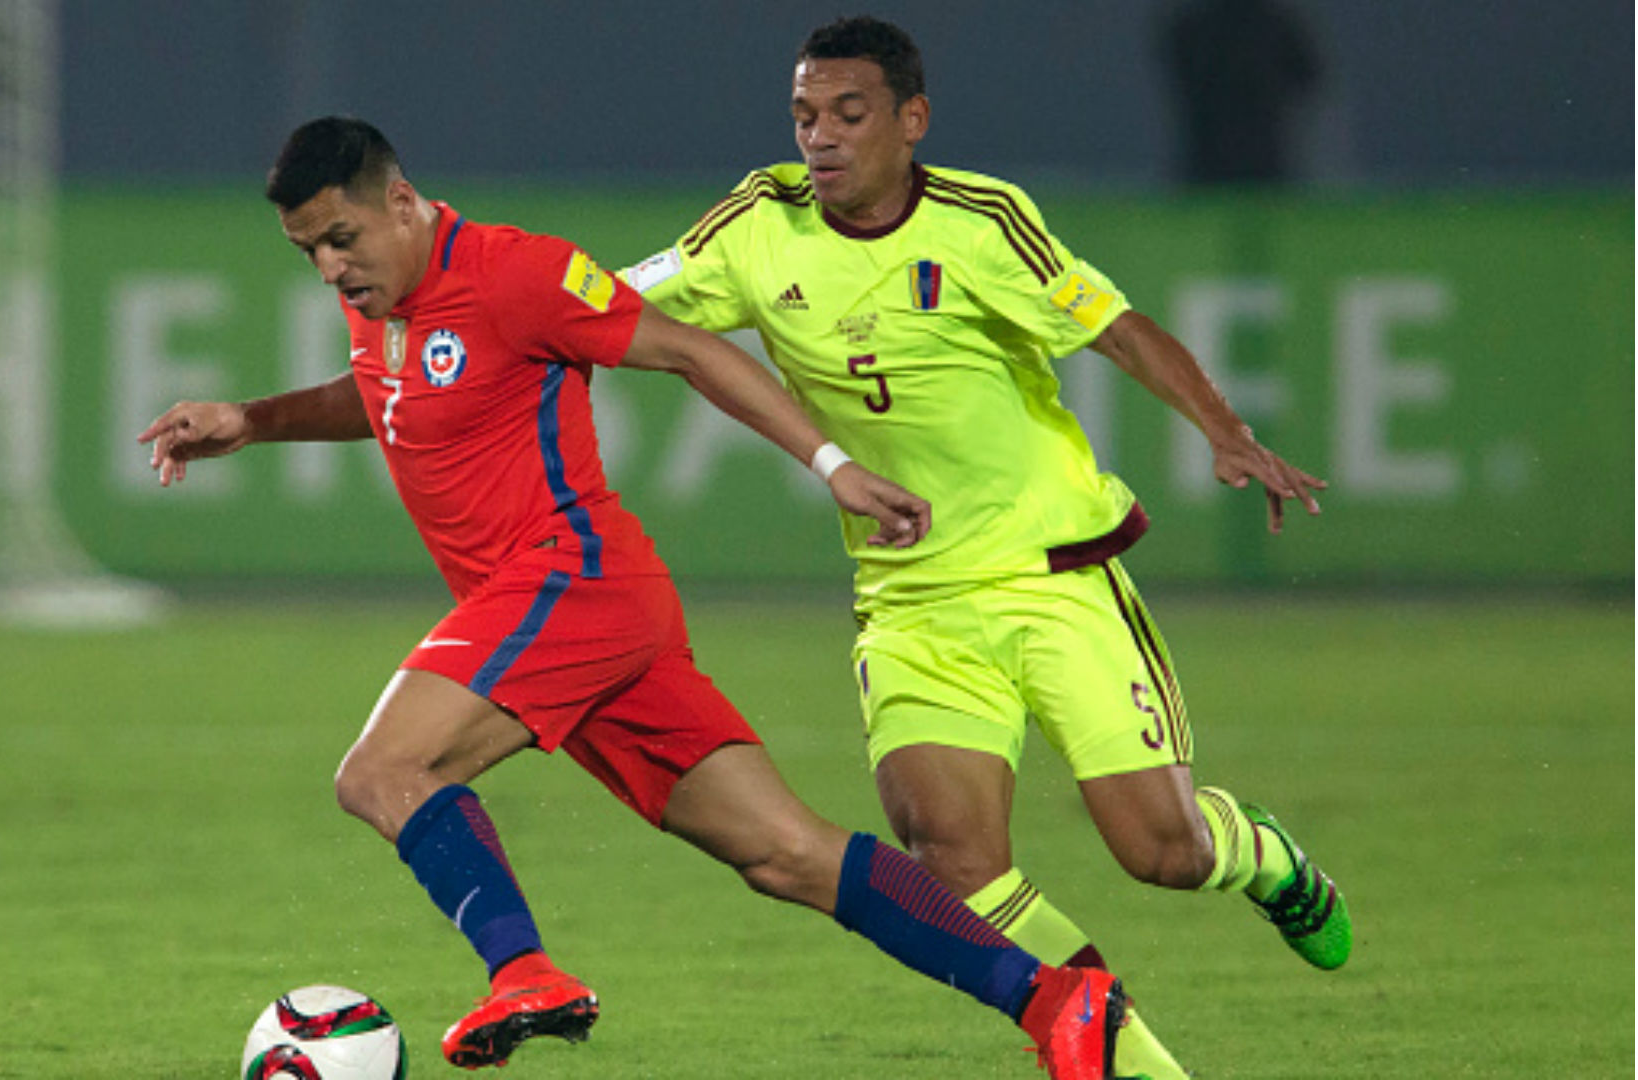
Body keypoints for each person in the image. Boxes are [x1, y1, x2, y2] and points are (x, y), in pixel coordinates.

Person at [139, 116, 1125, 1078]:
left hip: (572, 579)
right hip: (577, 619)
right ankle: (1053, 1002)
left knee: (380, 771)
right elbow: (394, 389)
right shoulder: (382, 298)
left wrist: (832, 465)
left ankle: (524, 972)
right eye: (308, 251)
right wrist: (253, 420)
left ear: (401, 201)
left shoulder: (515, 272)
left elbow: (693, 351)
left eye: (340, 240)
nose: (329, 270)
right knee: (786, 853)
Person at [625, 16, 1350, 1079]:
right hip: (913, 597)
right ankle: (1135, 1065)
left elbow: (1116, 326)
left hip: (1053, 576)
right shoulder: (758, 222)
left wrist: (1223, 430)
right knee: (953, 866)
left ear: (911, 121)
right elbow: (607, 303)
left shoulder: (982, 223)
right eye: (804, 116)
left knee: (1163, 852)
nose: (819, 137)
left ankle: (1262, 857)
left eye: (849, 114)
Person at [1161, 0, 1323, 187]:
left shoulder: (1192, 26)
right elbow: (1308, 76)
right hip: (1258, 148)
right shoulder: (1277, 25)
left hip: (1211, 149)